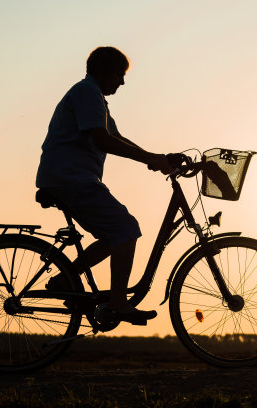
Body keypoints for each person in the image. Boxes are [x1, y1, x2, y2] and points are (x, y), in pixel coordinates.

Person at [36, 46, 173, 325]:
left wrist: (155, 158)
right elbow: (101, 139)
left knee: (115, 235)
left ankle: (66, 278)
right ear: (103, 72)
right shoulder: (87, 93)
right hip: (71, 179)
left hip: (69, 178)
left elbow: (115, 136)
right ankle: (119, 304)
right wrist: (149, 158)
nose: (122, 82)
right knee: (125, 229)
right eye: (119, 75)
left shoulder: (95, 97)